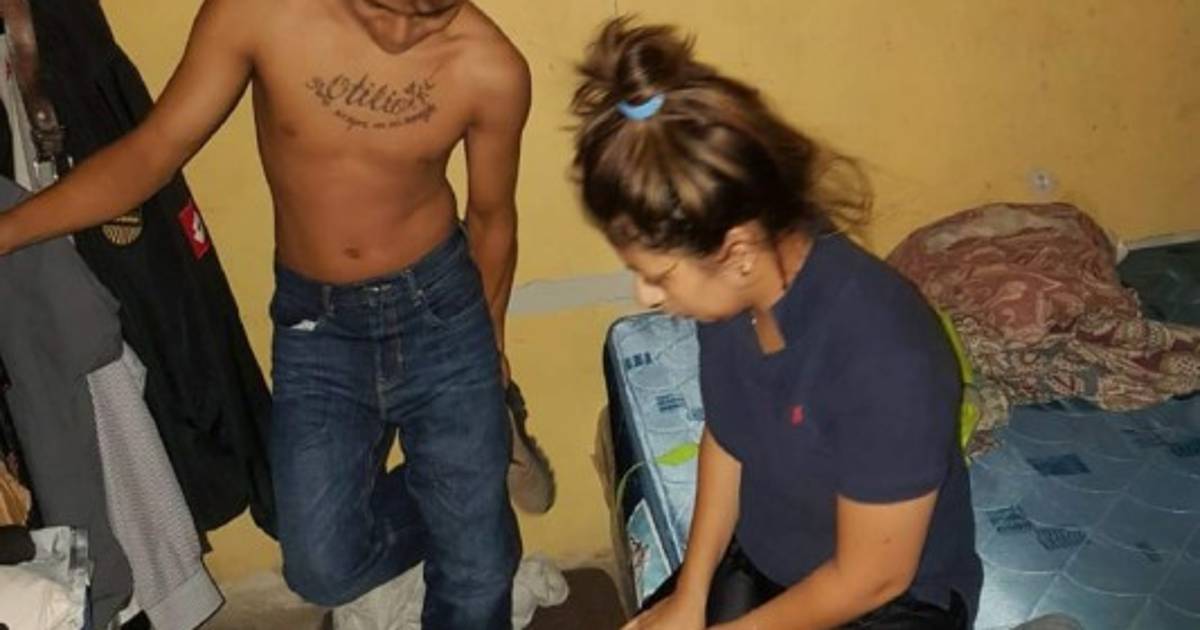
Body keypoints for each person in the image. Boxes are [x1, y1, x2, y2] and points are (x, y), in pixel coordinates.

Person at [0, 0, 547, 626]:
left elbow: (492, 221)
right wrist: (10, 230)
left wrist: (492, 349)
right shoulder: (261, 14)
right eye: (385, 9)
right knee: (322, 566)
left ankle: (473, 498)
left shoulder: (489, 68)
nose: (403, 30)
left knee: (476, 575)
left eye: (431, 15)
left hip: (442, 312)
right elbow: (151, 154)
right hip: (321, 328)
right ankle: (474, 490)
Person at [571, 18, 982, 629]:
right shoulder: (736, 295)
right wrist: (690, 592)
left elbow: (872, 577)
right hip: (771, 559)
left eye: (657, 275)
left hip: (889, 602)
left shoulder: (885, 358)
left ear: (736, 251)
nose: (646, 295)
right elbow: (728, 435)